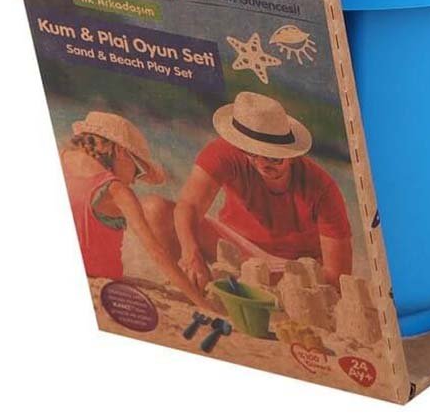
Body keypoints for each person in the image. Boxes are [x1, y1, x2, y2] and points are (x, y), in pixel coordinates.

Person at [174, 92, 352, 292]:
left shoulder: (322, 188)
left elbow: (337, 275)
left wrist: (275, 278)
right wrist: (190, 253)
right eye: (252, 153)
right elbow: (188, 205)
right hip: (235, 248)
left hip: (290, 267)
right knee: (155, 210)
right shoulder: (225, 152)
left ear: (292, 156)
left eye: (272, 158)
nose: (261, 165)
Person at [59, 111, 212, 311]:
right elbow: (158, 254)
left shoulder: (61, 158)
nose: (134, 181)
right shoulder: (117, 190)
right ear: (120, 151)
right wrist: (202, 304)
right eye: (138, 170)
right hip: (103, 276)